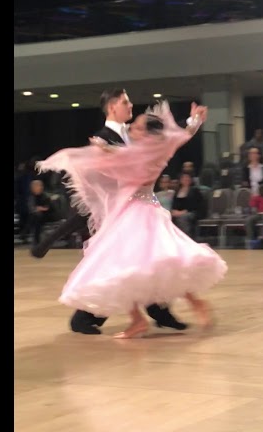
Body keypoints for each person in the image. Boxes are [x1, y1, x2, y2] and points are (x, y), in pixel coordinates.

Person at [36, 101, 227, 338]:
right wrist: (195, 120)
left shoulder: (141, 154)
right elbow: (183, 134)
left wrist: (94, 154)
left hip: (135, 214)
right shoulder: (162, 147)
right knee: (157, 263)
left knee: (124, 266)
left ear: (147, 135)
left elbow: (120, 161)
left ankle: (139, 320)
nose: (132, 129)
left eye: (137, 127)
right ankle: (190, 304)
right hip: (148, 211)